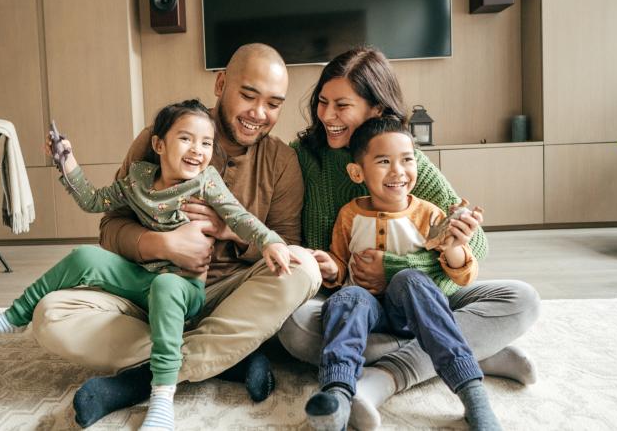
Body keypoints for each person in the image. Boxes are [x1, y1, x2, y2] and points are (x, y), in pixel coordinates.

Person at [28, 43, 322, 428]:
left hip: (227, 298)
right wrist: (163, 244)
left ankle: (139, 379)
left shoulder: (282, 162)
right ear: (220, 84)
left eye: (273, 103)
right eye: (248, 96)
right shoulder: (161, 136)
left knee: (303, 269)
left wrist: (228, 231)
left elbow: (285, 244)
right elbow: (110, 226)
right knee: (50, 316)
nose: (259, 114)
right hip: (149, 292)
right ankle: (225, 358)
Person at [0, 99, 294, 430]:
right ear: (158, 145)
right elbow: (94, 201)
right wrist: (67, 162)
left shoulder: (206, 181)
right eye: (186, 139)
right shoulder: (138, 179)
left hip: (183, 288)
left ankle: (162, 396)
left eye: (206, 143)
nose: (197, 149)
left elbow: (239, 217)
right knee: (84, 256)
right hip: (141, 279)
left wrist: (269, 241)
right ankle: (14, 315)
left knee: (167, 285)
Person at [278, 47, 540, 429]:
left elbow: (476, 245)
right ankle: (477, 352)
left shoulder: (403, 158)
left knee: (522, 300)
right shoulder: (303, 156)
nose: (327, 116)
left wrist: (394, 267)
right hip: (351, 303)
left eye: (341, 105)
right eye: (322, 102)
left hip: (418, 295)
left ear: (376, 109)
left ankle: (380, 380)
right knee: (296, 330)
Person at [303, 116, 500, 431]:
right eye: (383, 161)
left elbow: (463, 276)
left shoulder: (429, 214)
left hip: (413, 312)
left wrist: (455, 246)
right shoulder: (349, 214)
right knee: (347, 296)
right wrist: (330, 268)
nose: (398, 171)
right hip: (366, 313)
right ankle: (337, 396)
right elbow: (341, 264)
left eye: (406, 160)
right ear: (357, 172)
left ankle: (472, 393)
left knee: (410, 280)